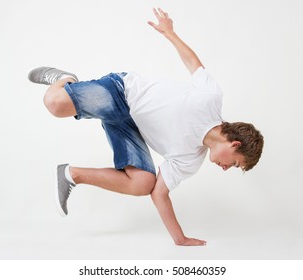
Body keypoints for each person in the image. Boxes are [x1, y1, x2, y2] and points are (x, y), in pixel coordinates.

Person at [28, 8, 264, 246]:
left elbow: (159, 193)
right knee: (54, 104)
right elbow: (193, 63)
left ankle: (71, 174)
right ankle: (66, 79)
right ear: (235, 143)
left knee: (143, 183)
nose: (226, 168)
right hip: (123, 92)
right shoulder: (211, 98)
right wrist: (170, 33)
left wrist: (179, 238)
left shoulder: (190, 160)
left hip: (130, 128)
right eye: (234, 163)